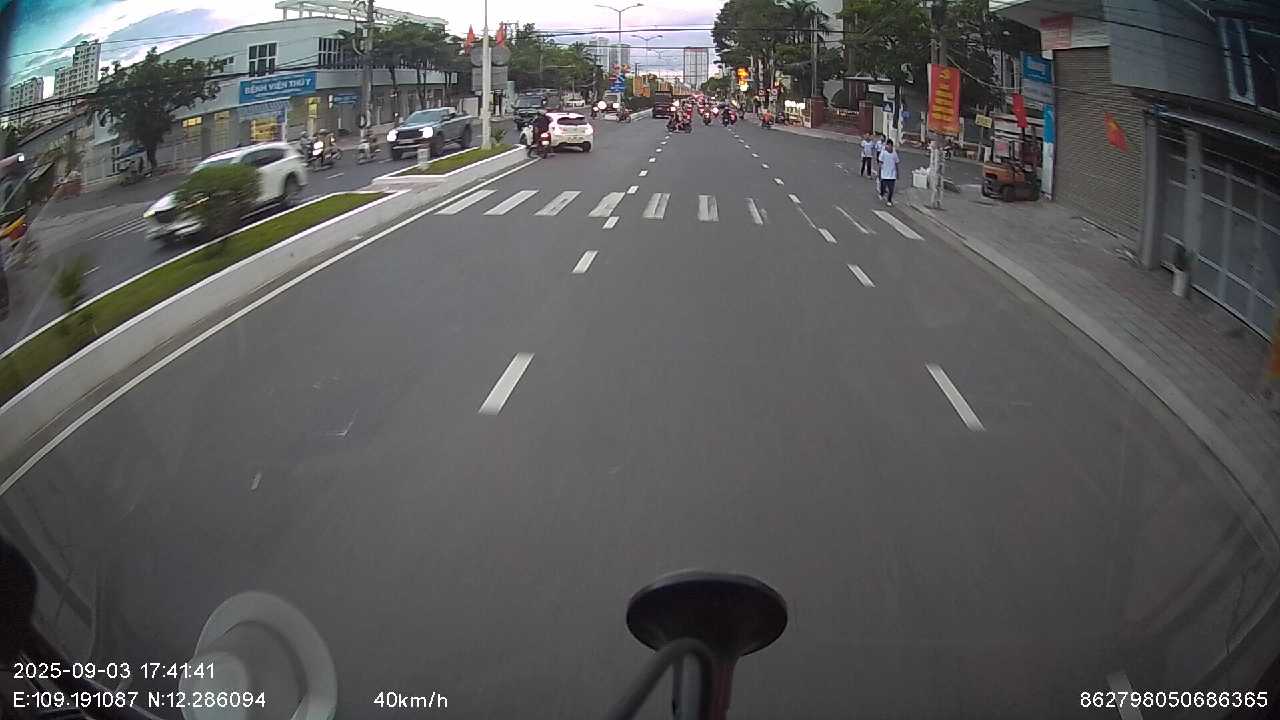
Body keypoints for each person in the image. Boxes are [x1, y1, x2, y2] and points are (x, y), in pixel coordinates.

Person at [878, 139, 900, 206]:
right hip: (884, 173)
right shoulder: (883, 153)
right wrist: (879, 173)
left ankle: (889, 200)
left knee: (891, 189)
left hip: (892, 174)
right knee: (883, 186)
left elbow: (896, 163)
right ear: (886, 145)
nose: (889, 147)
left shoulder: (894, 153)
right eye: (888, 145)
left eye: (890, 146)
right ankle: (882, 193)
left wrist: (897, 173)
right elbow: (880, 163)